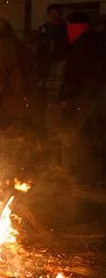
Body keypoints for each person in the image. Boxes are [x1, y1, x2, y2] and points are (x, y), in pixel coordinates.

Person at [0, 18, 42, 157]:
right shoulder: (24, 49)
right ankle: (27, 173)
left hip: (8, 106)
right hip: (28, 105)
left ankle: (9, 174)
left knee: (8, 144)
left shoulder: (0, 53)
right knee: (25, 143)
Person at [58, 11, 105, 184]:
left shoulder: (81, 45)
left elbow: (73, 73)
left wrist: (65, 96)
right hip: (98, 97)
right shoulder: (99, 42)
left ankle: (88, 176)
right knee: (98, 136)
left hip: (85, 98)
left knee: (84, 137)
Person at [37, 4, 68, 100]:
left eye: (56, 13)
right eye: (52, 13)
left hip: (60, 58)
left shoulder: (65, 27)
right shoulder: (43, 28)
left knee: (58, 80)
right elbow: (40, 44)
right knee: (44, 79)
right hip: (46, 59)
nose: (54, 15)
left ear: (60, 14)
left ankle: (57, 99)